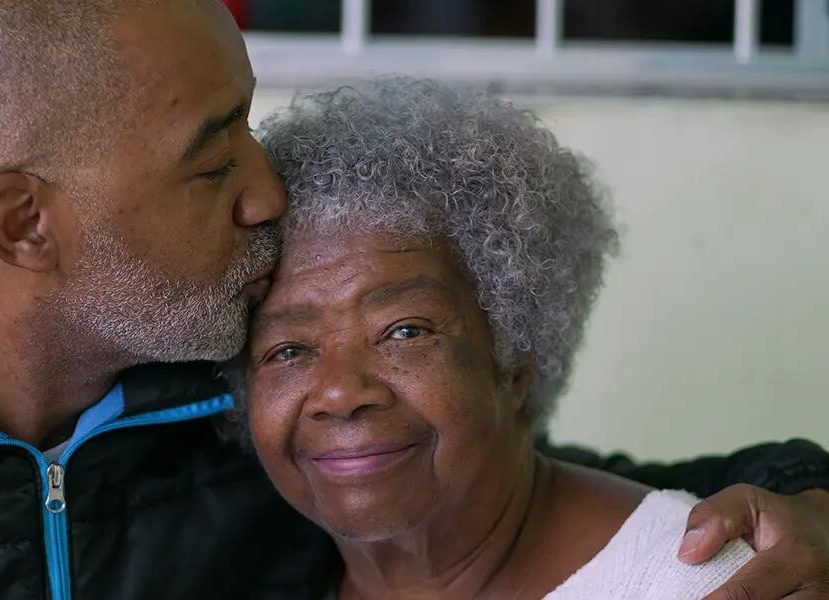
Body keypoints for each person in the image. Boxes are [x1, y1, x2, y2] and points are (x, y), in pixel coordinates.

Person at [0, 1, 826, 598]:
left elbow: (524, 475)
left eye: (249, 124)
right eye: (211, 159)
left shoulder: (241, 369)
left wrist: (809, 500)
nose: (269, 193)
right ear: (22, 224)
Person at [240, 77, 829, 599]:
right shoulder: (261, 571)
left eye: (404, 331)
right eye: (287, 350)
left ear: (515, 358)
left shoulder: (698, 581)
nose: (340, 392)